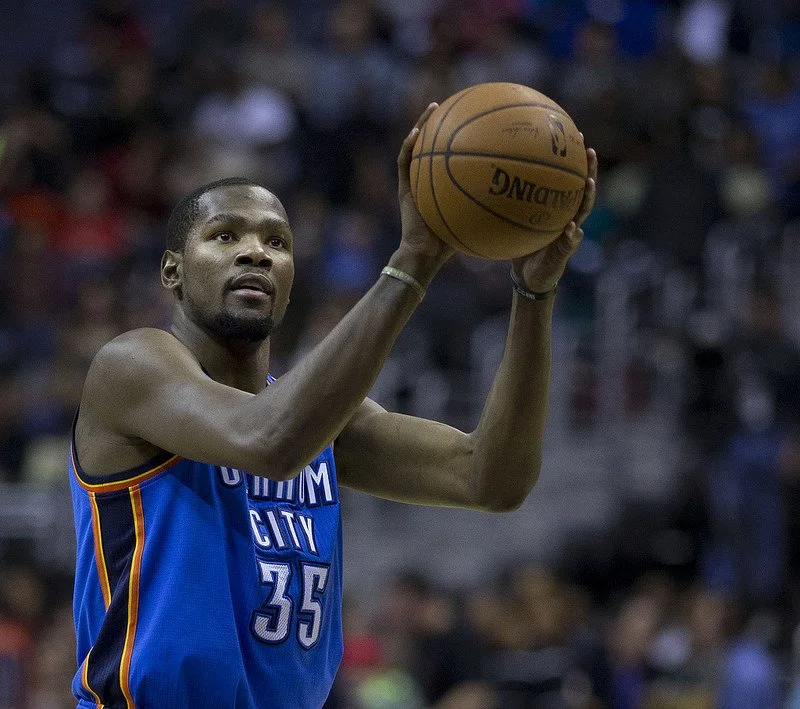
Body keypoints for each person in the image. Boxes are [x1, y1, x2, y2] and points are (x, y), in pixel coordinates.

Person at [68, 103, 597, 708]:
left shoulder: (321, 420)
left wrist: (534, 293)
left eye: (276, 241)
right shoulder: (131, 365)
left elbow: (491, 478)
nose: (255, 253)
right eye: (224, 235)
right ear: (172, 271)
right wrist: (413, 261)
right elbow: (267, 440)